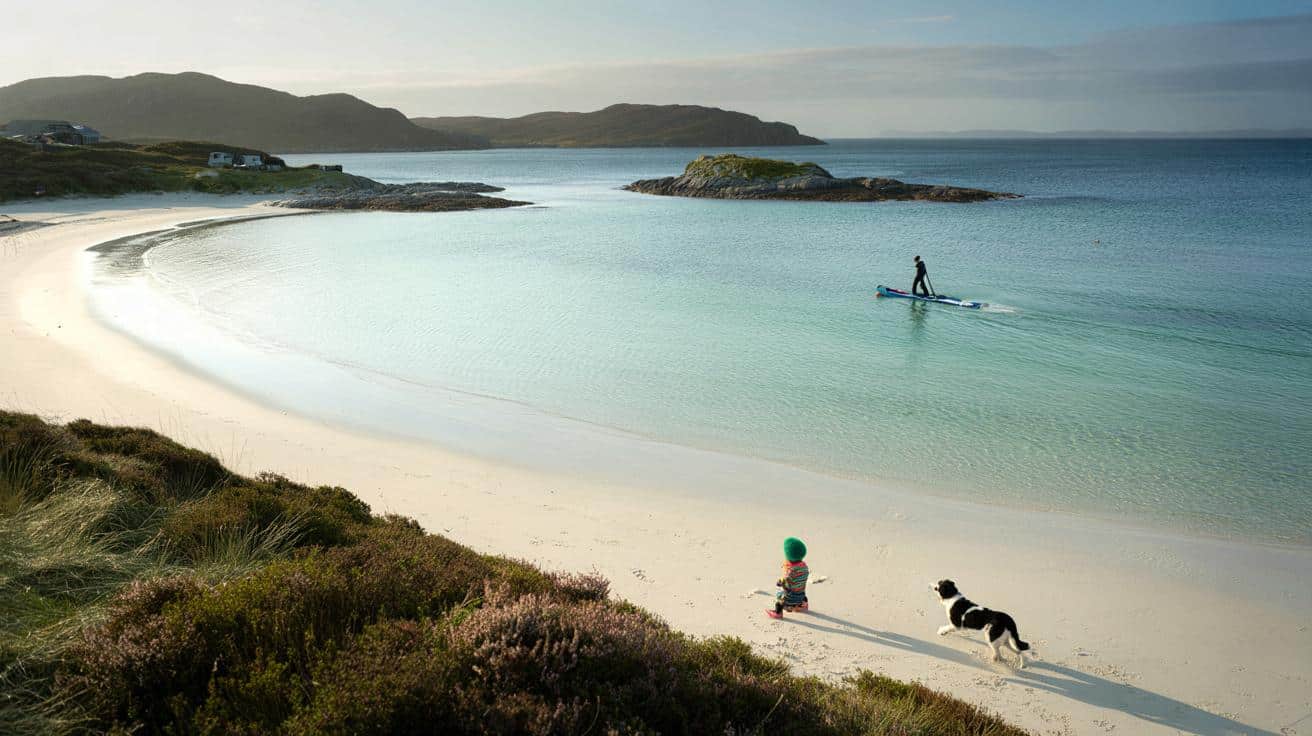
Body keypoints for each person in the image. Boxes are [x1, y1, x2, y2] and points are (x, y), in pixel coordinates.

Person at [766, 537, 810, 619]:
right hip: (801, 596)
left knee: (779, 600)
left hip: (790, 600)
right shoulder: (804, 567)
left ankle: (778, 613)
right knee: (800, 591)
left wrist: (779, 582)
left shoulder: (790, 571)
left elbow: (785, 582)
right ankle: (803, 605)